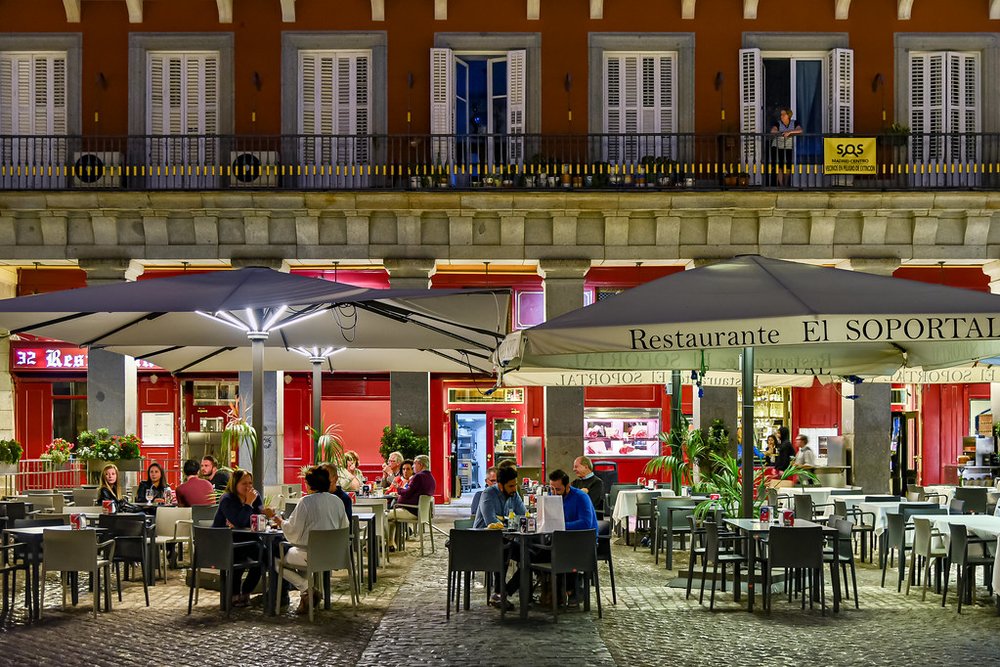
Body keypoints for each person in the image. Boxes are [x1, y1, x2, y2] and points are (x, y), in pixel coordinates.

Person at [273, 466, 349, 614]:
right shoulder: (337, 502)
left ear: (308, 484)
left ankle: (306, 587)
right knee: (297, 553)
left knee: (274, 559)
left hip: (311, 555)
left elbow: (293, 530)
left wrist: (279, 521)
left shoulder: (305, 502)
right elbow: (344, 527)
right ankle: (306, 599)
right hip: (334, 555)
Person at [212, 469, 272, 607]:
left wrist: (264, 512)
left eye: (250, 483)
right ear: (235, 483)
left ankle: (246, 592)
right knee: (243, 554)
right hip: (224, 542)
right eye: (244, 483)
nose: (248, 486)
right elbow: (240, 521)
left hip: (245, 539)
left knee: (265, 554)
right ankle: (234, 595)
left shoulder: (254, 496)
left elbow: (256, 520)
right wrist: (248, 505)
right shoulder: (227, 499)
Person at [473, 465, 526, 609]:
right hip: (482, 542)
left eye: (515, 485)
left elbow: (523, 516)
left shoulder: (514, 495)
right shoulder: (488, 494)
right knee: (504, 548)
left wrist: (505, 520)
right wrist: (508, 521)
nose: (514, 489)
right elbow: (491, 522)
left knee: (529, 555)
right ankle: (498, 593)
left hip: (505, 540)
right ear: (500, 485)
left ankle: (504, 592)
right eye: (511, 486)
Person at [386, 455, 436, 536]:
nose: (413, 466)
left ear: (420, 464)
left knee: (383, 515)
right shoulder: (430, 477)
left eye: (414, 464)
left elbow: (407, 493)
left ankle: (379, 541)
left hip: (411, 511)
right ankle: (391, 543)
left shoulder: (418, 476)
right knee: (391, 519)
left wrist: (398, 488)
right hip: (421, 512)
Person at [770, 107, 802, 186]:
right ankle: (781, 185)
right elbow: (773, 131)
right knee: (779, 166)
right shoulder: (778, 123)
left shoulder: (794, 123)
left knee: (788, 166)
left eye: (783, 114)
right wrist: (783, 132)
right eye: (781, 114)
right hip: (777, 146)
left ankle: (786, 184)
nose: (781, 116)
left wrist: (789, 132)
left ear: (788, 115)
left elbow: (800, 130)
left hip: (788, 146)